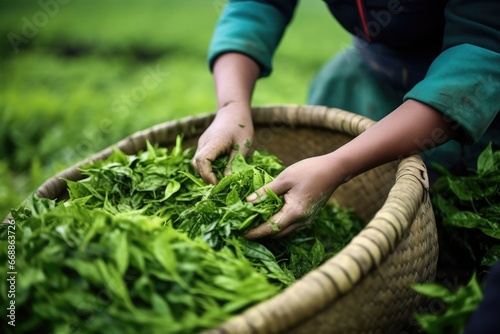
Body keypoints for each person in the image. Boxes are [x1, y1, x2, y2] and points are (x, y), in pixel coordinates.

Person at [192, 0, 499, 240]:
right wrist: (231, 106)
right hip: (371, 70)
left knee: (456, 215)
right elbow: (257, 5)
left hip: (470, 93)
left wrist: (338, 166)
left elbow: (480, 51)